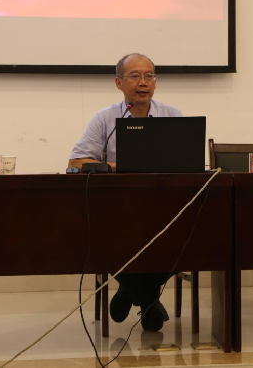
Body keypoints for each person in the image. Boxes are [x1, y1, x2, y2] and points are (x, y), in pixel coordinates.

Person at [68, 53, 183, 332]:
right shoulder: (105, 119)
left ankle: (128, 291)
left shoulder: (173, 116)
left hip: (163, 208)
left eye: (149, 76)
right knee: (110, 237)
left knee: (184, 236)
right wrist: (119, 167)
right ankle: (148, 300)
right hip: (118, 211)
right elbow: (76, 162)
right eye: (135, 76)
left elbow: (186, 162)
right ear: (119, 83)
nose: (143, 82)